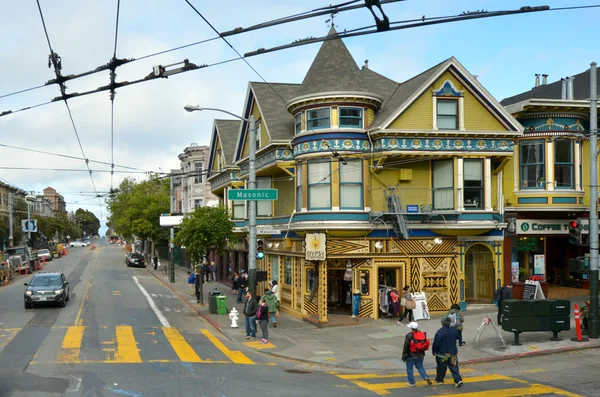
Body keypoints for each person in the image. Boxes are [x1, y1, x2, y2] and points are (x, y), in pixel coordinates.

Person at [432, 316, 463, 387]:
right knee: (454, 366)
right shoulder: (454, 330)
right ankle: (458, 380)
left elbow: (436, 343)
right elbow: (459, 337)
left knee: (441, 367)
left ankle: (439, 380)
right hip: (453, 353)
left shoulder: (440, 332)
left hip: (442, 354)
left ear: (442, 323)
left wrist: (434, 351)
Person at [401, 321, 433, 387]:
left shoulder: (409, 335)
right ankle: (425, 377)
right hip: (420, 354)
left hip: (410, 355)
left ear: (411, 328)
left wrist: (404, 355)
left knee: (409, 368)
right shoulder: (422, 334)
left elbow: (406, 346)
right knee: (420, 366)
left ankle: (411, 382)